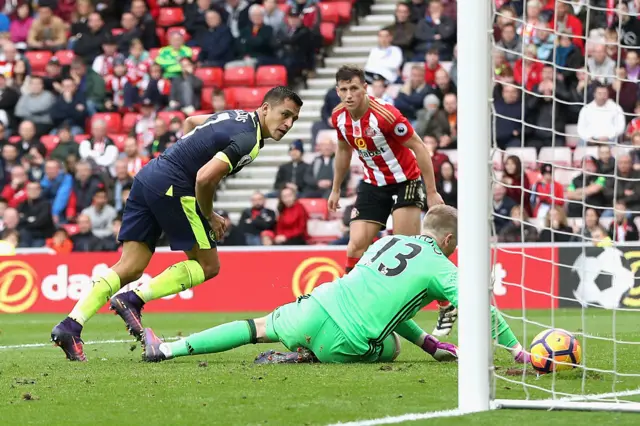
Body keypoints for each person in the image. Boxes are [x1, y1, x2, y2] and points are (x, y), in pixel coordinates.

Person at [51, 86, 303, 361]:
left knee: (131, 266)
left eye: (294, 119)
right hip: (175, 185)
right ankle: (133, 299)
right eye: (285, 114)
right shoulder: (249, 140)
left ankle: (70, 325)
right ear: (266, 108)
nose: (288, 124)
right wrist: (209, 214)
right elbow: (205, 178)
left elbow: (192, 122)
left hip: (149, 175)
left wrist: (185, 155)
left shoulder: (235, 116)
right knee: (208, 265)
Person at [141, 205, 530, 366]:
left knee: (254, 327)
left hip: (314, 305)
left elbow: (377, 296)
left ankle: (167, 349)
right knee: (390, 346)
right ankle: (308, 357)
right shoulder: (442, 267)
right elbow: (482, 308)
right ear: (448, 241)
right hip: (346, 342)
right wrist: (516, 350)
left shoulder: (386, 242)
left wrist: (429, 343)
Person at [326, 66, 453, 338]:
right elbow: (344, 150)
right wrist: (336, 188)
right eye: (343, 90)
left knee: (407, 247)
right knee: (356, 243)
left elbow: (419, 146)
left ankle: (445, 303)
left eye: (354, 89)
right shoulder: (338, 117)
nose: (349, 95)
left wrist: (431, 191)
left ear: (365, 89)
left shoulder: (386, 115)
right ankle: (349, 302)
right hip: (373, 183)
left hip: (406, 180)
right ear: (338, 91)